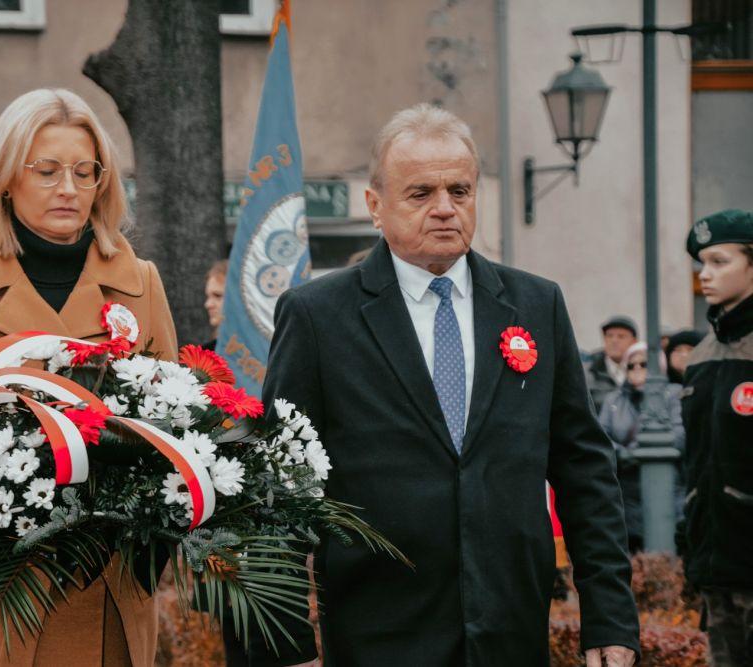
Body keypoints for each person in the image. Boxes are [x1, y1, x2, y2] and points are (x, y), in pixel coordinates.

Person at [250, 103, 639, 667]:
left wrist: (609, 617)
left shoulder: (535, 304)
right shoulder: (318, 316)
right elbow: (279, 489)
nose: (444, 209)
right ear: (375, 205)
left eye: (460, 190)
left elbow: (584, 468)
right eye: (420, 193)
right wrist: (284, 647)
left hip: (509, 629)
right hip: (378, 635)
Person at [0, 88, 177, 667]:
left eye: (83, 171)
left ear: (102, 182)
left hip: (108, 588)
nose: (67, 188)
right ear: (6, 179)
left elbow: (174, 421)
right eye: (45, 170)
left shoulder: (140, 282)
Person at [679, 209, 753, 667]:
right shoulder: (701, 355)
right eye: (702, 263)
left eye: (720, 262)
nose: (706, 275)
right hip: (717, 564)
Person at [598, 342, 684, 553]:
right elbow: (601, 436)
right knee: (632, 547)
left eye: (644, 364)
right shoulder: (614, 400)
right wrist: (622, 453)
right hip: (626, 488)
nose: (637, 370)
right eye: (631, 365)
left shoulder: (674, 394)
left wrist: (638, 452)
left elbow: (679, 434)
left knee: (666, 548)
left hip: (666, 485)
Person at [584, 315, 638, 411]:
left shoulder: (642, 369)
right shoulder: (586, 372)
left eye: (621, 336)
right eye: (609, 336)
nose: (614, 341)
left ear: (634, 342)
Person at [203, 259, 227, 349]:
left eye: (217, 295)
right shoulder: (205, 354)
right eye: (208, 296)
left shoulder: (266, 351)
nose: (208, 304)